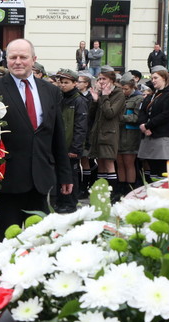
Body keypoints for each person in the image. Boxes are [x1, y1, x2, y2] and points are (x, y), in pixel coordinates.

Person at [0, 38, 72, 241]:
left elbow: (57, 135)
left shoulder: (51, 91)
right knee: (8, 245)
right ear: (6, 60)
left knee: (42, 244)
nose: (18, 61)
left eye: (23, 57)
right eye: (13, 57)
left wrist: (65, 174)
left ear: (34, 60)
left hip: (43, 181)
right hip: (8, 182)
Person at [54, 69, 88, 213]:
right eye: (61, 82)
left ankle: (71, 203)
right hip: (59, 145)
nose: (63, 85)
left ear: (75, 83)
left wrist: (76, 148)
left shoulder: (79, 100)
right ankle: (60, 201)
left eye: (66, 82)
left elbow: (81, 126)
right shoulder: (59, 98)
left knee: (71, 175)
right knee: (59, 174)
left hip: (71, 146)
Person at [88, 66, 125, 197]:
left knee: (109, 163)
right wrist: (95, 100)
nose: (100, 81)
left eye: (103, 78)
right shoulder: (102, 93)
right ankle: (102, 193)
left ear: (111, 80)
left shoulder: (118, 93)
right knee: (101, 163)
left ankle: (113, 194)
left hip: (110, 134)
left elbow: (110, 113)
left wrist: (104, 97)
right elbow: (91, 115)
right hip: (98, 133)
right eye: (99, 79)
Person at [138, 67, 169, 180]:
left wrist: (148, 125)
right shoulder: (152, 95)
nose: (153, 80)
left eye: (156, 78)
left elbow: (167, 115)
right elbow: (142, 111)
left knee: (161, 168)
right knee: (151, 166)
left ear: (164, 78)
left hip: (161, 134)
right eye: (152, 78)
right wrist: (143, 125)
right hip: (148, 134)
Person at [117, 75, 143, 195]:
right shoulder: (120, 98)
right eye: (121, 89)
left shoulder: (139, 98)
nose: (123, 91)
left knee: (129, 163)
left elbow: (137, 117)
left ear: (132, 87)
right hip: (119, 134)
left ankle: (130, 189)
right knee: (120, 163)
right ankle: (121, 188)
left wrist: (121, 117)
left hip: (131, 134)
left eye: (126, 89)